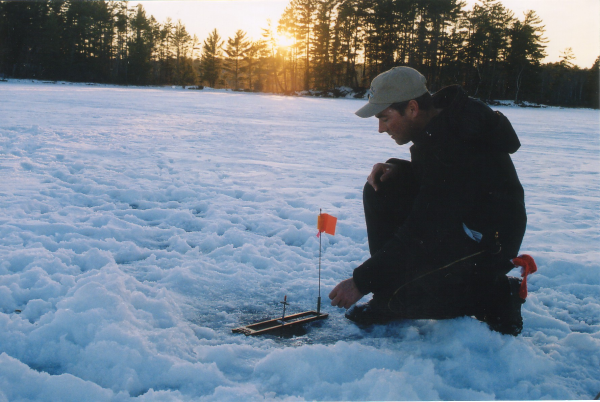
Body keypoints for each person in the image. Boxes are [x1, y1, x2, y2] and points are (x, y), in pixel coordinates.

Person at [328, 67, 527, 335]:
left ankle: (496, 296)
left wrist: (362, 281)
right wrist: (399, 169)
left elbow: (424, 228)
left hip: (486, 247)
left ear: (412, 108)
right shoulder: (439, 126)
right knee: (382, 187)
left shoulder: (454, 143)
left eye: (385, 118)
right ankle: (390, 292)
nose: (380, 128)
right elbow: (440, 189)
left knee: (400, 298)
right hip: (458, 226)